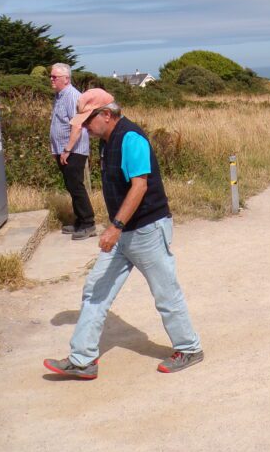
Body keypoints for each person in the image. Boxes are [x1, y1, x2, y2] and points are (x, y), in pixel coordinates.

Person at [44, 99, 203, 380]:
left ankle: (189, 348)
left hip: (147, 230)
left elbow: (140, 186)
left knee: (165, 292)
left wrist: (115, 226)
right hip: (122, 233)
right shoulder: (106, 140)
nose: (86, 128)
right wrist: (117, 228)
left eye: (88, 120)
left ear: (106, 114)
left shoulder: (131, 138)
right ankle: (83, 360)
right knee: (95, 289)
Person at [49, 64, 96, 240]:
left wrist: (67, 149)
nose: (51, 80)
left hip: (74, 150)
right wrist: (57, 149)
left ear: (66, 79)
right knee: (71, 185)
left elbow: (77, 125)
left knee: (76, 186)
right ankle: (80, 221)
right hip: (64, 150)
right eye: (51, 76)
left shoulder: (72, 96)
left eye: (55, 77)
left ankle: (88, 223)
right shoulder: (60, 96)